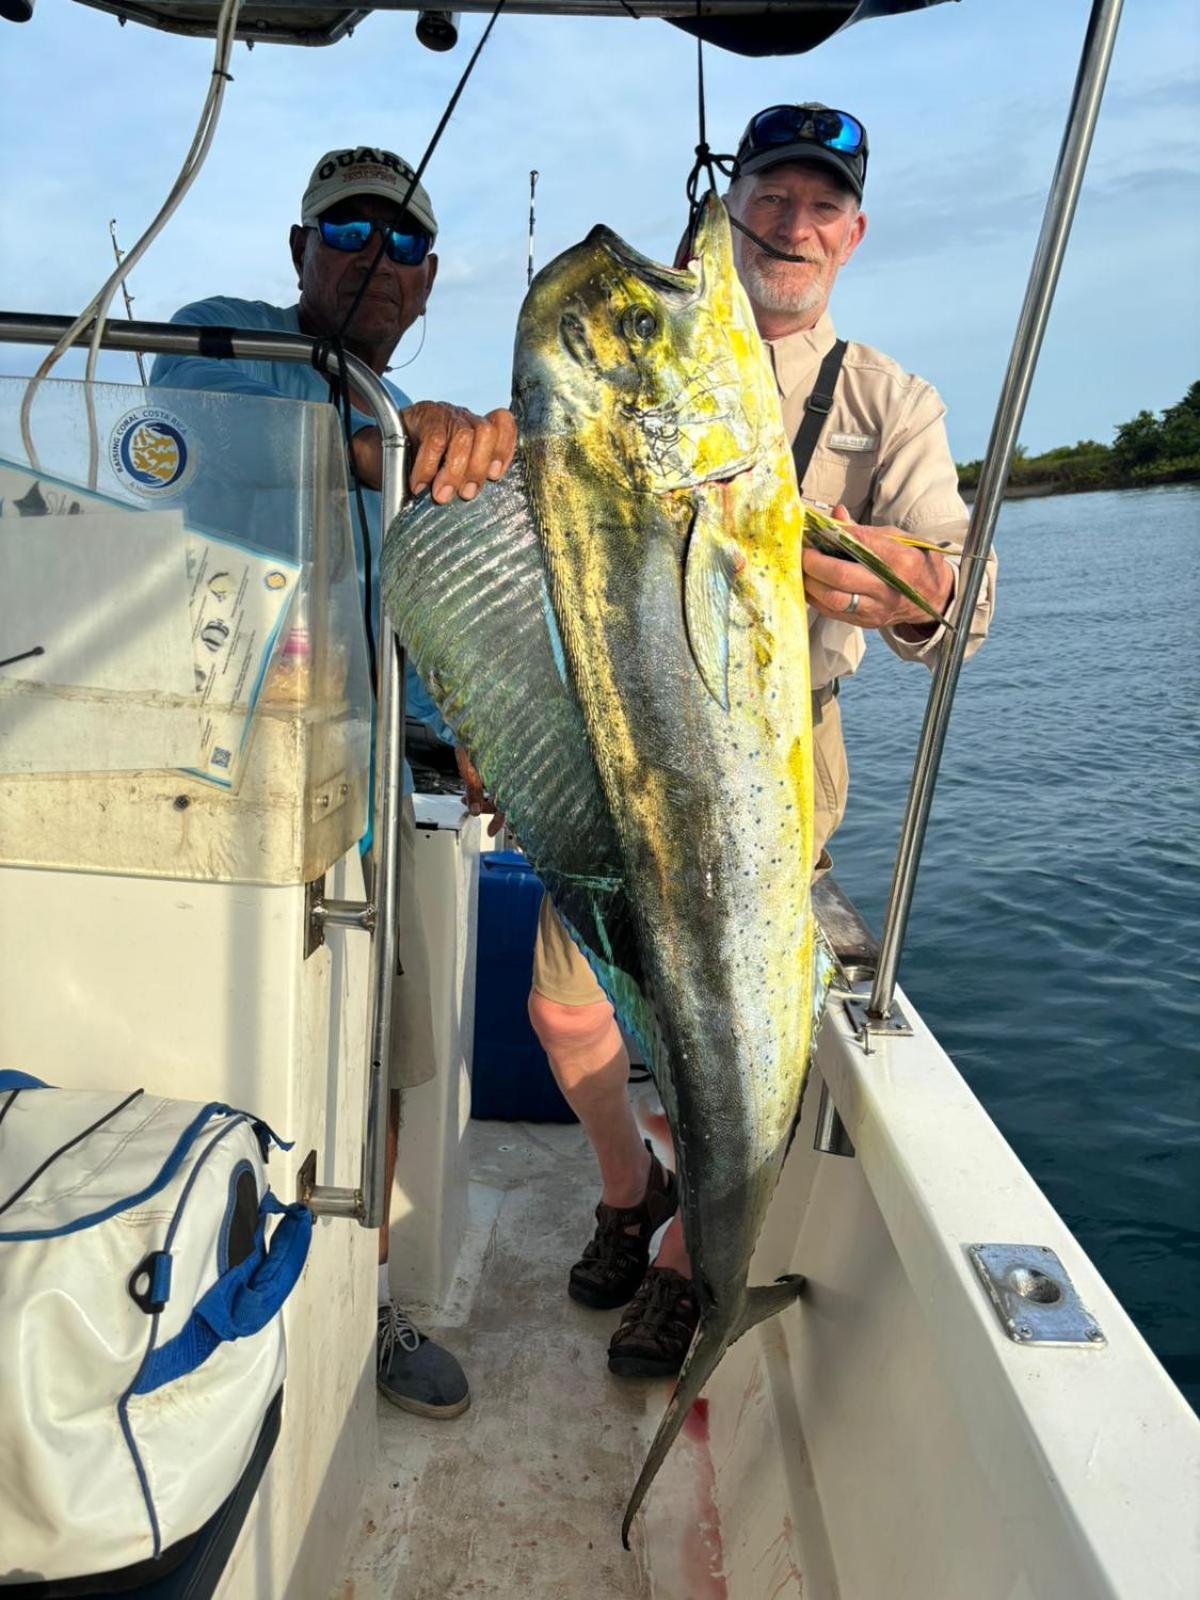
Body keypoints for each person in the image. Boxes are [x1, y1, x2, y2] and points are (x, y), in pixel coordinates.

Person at [511, 103, 998, 1379]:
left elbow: (964, 593)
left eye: (820, 203)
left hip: (780, 761)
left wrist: (918, 585)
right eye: (772, 195)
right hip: (615, 739)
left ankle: (690, 1260)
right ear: (735, 205)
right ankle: (635, 1186)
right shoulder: (649, 356)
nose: (793, 223)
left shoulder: (890, 400)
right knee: (566, 1003)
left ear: (855, 230)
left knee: (720, 1014)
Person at [151, 145, 517, 1419]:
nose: (379, 258)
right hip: (213, 796)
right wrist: (402, 445)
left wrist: (470, 730)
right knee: (209, 1059)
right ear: (299, 250)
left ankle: (362, 1315)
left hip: (358, 814)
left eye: (407, 243)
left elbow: (395, 618)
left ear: (427, 288)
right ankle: (193, 1299)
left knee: (376, 1070)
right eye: (349, 230)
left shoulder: (407, 413)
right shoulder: (220, 340)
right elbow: (219, 449)